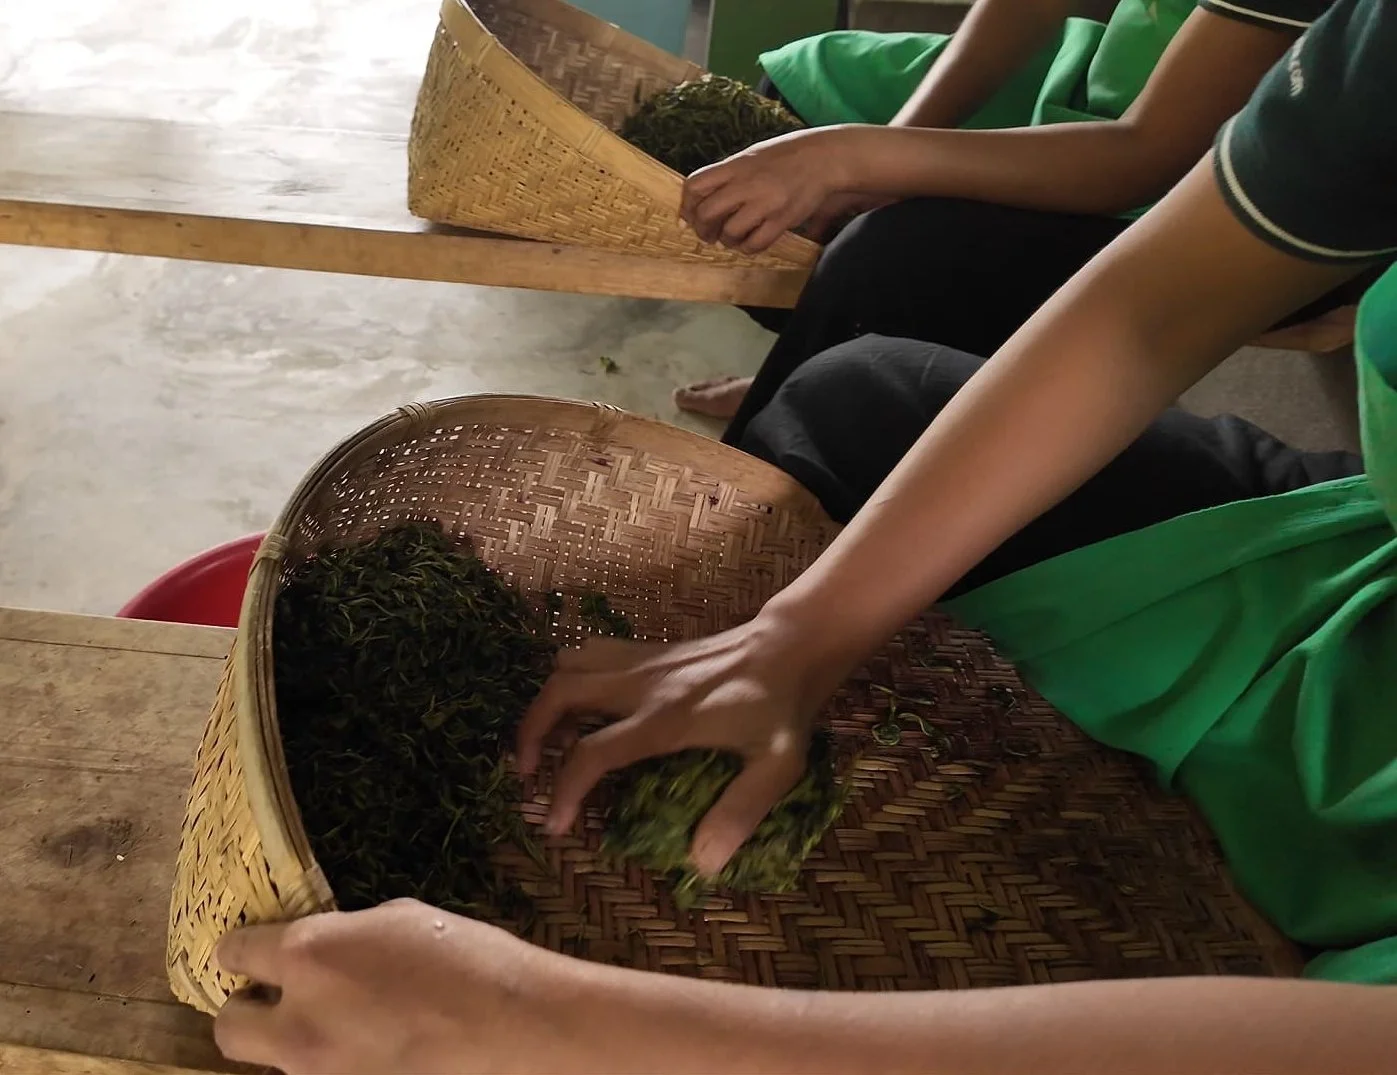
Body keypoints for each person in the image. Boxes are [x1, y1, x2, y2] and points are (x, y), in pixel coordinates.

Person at [211, 1, 1397, 1069]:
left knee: (917, 261)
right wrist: (793, 636)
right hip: (1355, 604)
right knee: (859, 395)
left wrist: (560, 1025)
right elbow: (1153, 307)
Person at [673, 0, 1349, 424]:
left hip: (1248, 194)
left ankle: (821, 410)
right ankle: (825, 370)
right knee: (797, 91)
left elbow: (1145, 157)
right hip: (1128, 84)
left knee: (891, 256)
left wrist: (856, 159)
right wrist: (888, 146)